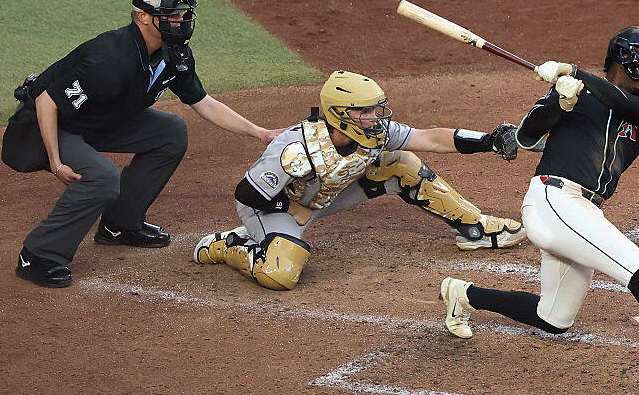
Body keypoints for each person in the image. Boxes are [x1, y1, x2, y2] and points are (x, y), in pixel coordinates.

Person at [438, 27, 639, 374]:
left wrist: (578, 75)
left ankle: (464, 294)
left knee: (553, 318)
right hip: (553, 201)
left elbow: (620, 103)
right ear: (626, 55)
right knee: (637, 269)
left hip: (582, 211)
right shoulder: (573, 94)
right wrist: (559, 103)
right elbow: (526, 135)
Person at [14, 0, 281, 288]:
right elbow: (46, 100)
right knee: (103, 178)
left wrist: (259, 132)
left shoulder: (172, 54)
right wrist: (56, 160)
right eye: (170, 14)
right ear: (143, 16)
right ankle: (38, 255)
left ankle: (119, 225)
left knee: (170, 132)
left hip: (98, 122)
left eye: (181, 14)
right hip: (48, 125)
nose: (179, 21)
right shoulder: (111, 59)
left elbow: (203, 103)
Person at [192, 70, 527, 291]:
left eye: (375, 110)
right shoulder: (295, 149)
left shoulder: (375, 133)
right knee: (280, 273)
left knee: (403, 164)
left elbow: (430, 139)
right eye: (364, 112)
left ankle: (475, 228)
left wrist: (488, 141)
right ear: (339, 114)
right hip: (269, 207)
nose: (374, 118)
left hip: (322, 196)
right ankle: (229, 246)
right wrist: (293, 206)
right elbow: (247, 193)